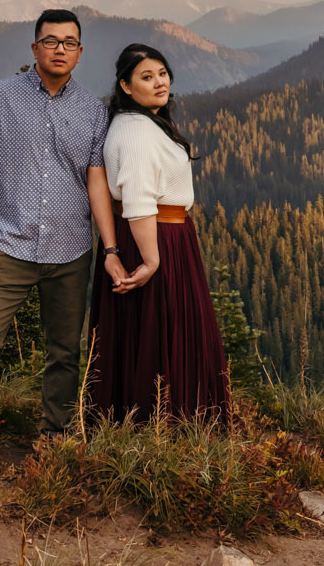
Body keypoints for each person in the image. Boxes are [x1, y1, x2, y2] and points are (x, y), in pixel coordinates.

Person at [0, 10, 112, 474]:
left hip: (71, 247)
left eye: (69, 42)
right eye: (50, 41)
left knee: (64, 349)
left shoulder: (93, 110)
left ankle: (54, 435)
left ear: (80, 52)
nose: (59, 49)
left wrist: (109, 247)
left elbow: (96, 182)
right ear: (34, 48)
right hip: (8, 246)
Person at [86, 42, 229, 421]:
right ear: (126, 86)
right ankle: (167, 423)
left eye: (162, 73)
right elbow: (137, 198)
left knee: (147, 332)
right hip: (156, 237)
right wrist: (151, 260)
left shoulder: (140, 122)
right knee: (163, 331)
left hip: (160, 234)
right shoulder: (136, 131)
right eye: (146, 77)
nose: (159, 82)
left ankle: (144, 422)